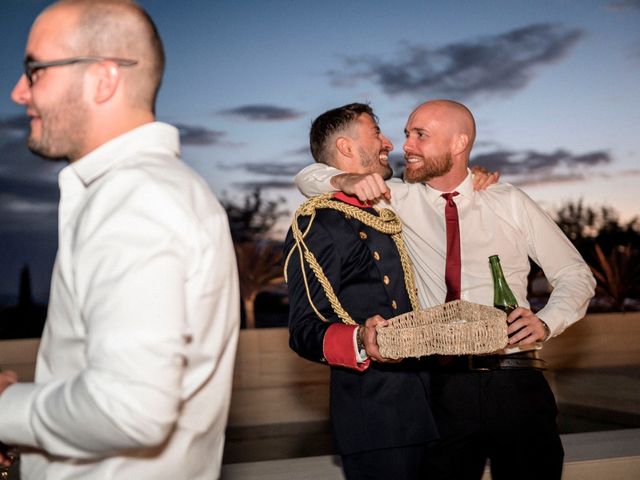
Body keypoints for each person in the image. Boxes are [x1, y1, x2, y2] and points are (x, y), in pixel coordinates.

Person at [0, 1, 240, 479]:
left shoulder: (133, 197)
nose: (18, 92)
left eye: (35, 70)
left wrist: (7, 409)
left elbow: (129, 408)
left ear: (103, 79)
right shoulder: (160, 188)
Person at [295, 99, 596, 480]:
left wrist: (547, 322)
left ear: (458, 143)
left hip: (516, 380)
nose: (406, 145)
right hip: (441, 389)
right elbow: (309, 178)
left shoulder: (510, 201)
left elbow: (575, 274)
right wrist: (344, 180)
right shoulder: (395, 199)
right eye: (406, 134)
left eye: (420, 135)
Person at [284, 102, 496, 480]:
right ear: (347, 148)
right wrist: (362, 341)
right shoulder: (319, 223)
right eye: (376, 133)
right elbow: (304, 328)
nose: (388, 143)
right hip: (377, 418)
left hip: (437, 407)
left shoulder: (390, 205)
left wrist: (469, 177)